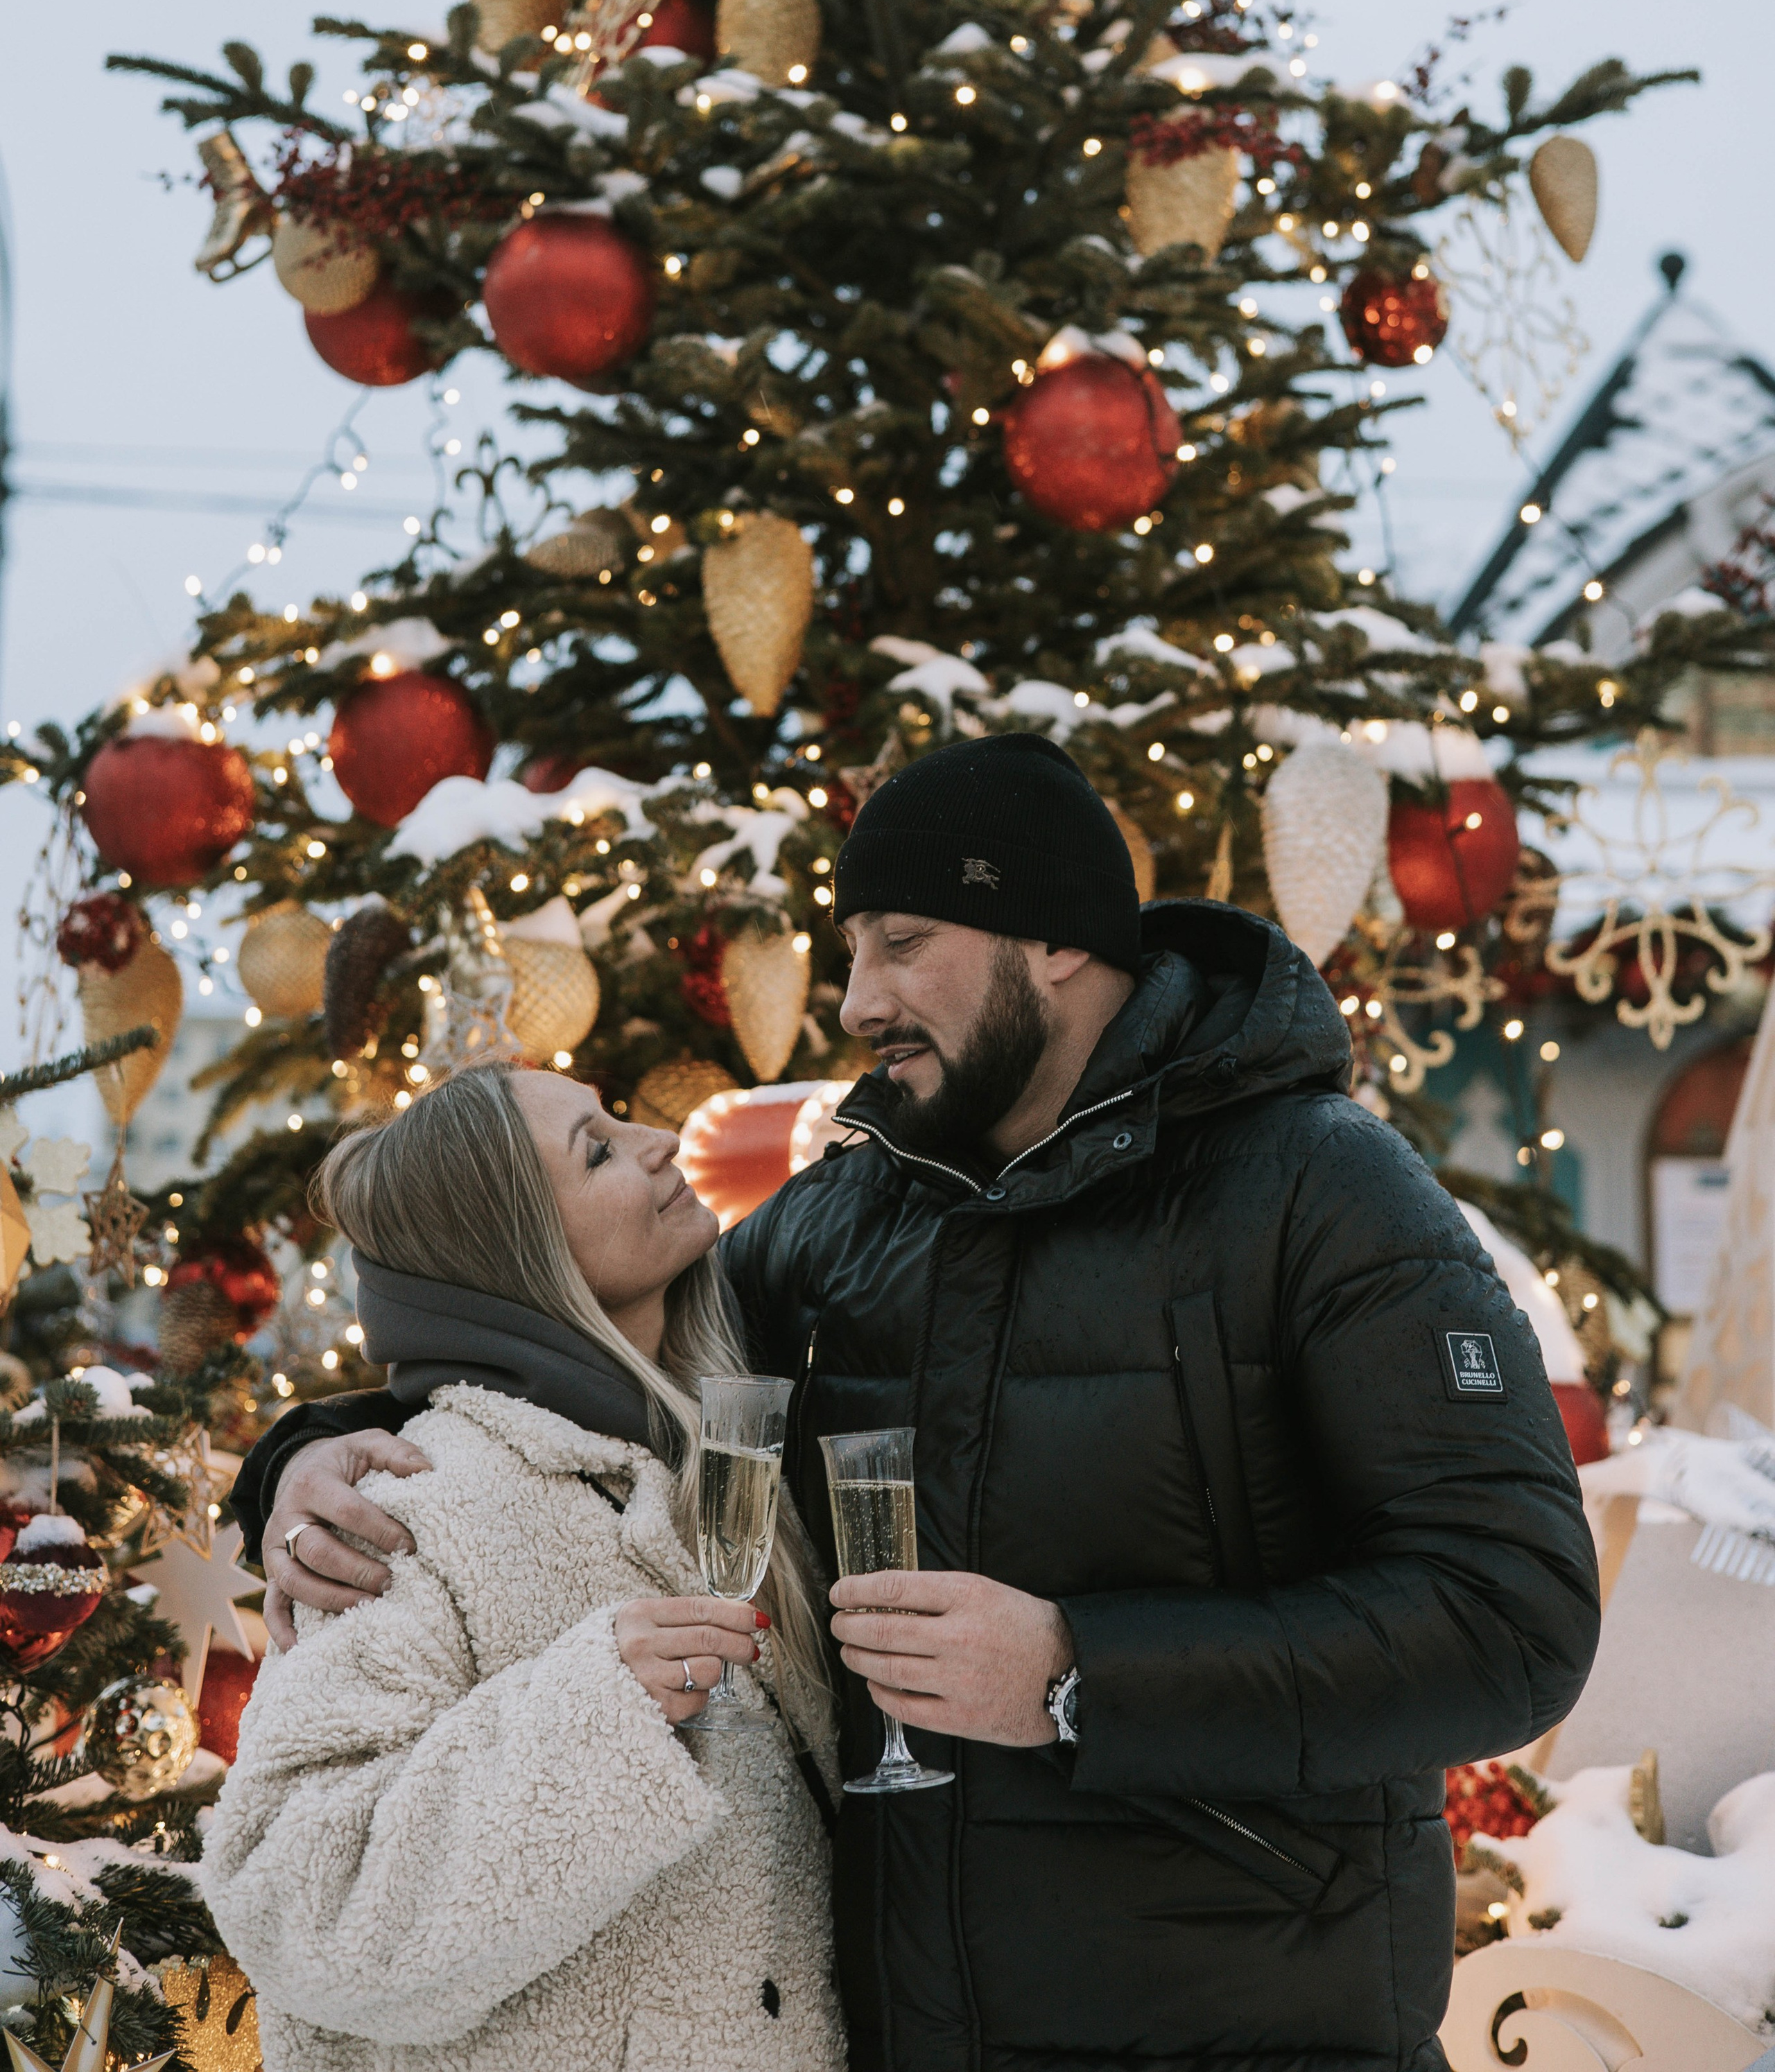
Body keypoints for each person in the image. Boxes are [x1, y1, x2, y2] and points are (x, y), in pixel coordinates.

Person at [236, 734, 1601, 2072]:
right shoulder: (840, 1225)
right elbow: (593, 1360)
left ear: (1052, 937)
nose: (855, 1002)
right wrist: (310, 1454)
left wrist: (1076, 1674)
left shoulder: (1323, 1192)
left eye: (901, 943)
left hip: (1252, 2037)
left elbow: (1511, 1619)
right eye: (850, 951)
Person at [205, 1062, 843, 2072]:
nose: (662, 1141)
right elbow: (294, 1904)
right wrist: (597, 1716)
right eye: (598, 1150)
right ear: (517, 1255)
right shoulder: (410, 1513)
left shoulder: (719, 1458)